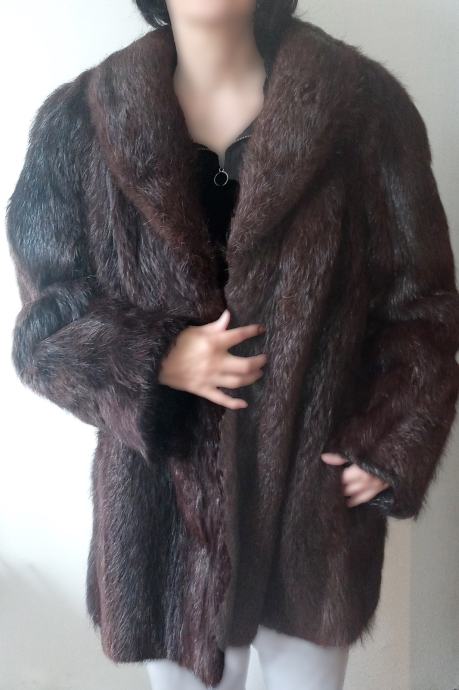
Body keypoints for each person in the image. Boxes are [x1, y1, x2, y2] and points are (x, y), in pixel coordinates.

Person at [6, 1, 459, 689]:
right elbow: (45, 326)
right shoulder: (80, 122)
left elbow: (423, 306)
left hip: (309, 515)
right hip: (161, 526)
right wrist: (156, 360)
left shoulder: (363, 111)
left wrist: (388, 441)